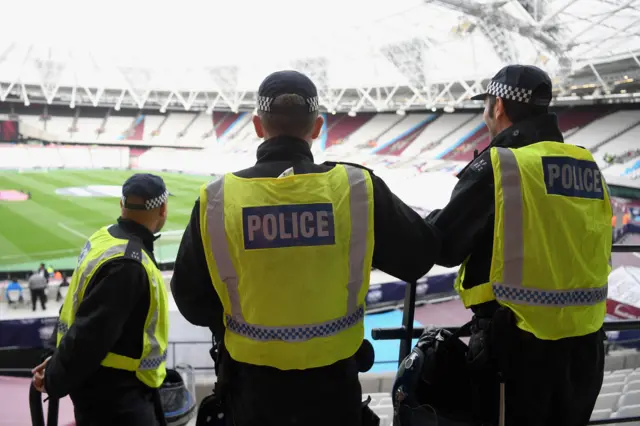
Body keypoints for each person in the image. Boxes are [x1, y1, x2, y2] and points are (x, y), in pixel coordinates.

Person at [171, 70, 441, 426]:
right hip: (334, 390)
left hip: (251, 390)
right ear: (316, 127)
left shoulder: (218, 199)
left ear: (256, 125)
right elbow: (418, 256)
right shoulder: (358, 188)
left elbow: (190, 298)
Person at [425, 65, 611, 426]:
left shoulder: (503, 164)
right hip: (585, 346)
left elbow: (445, 246)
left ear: (497, 106)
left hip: (520, 347)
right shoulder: (585, 163)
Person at [31, 173, 171, 426]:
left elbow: (74, 303)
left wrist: (53, 355)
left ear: (122, 205)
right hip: (117, 398)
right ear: (162, 209)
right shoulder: (129, 263)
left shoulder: (103, 237)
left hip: (105, 389)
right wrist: (53, 379)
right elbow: (90, 334)